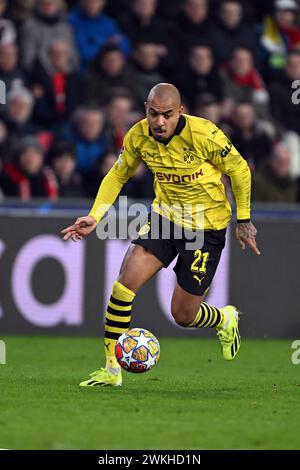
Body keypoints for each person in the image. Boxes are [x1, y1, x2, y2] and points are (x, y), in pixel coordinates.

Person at [61, 83, 260, 387]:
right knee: (124, 285)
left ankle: (224, 318)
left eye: (167, 115)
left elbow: (240, 170)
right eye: (154, 114)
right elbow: (118, 174)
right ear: (146, 109)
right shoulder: (138, 135)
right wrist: (95, 215)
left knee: (183, 314)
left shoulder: (204, 134)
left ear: (180, 112)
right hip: (165, 218)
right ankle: (111, 369)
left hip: (206, 226)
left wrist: (244, 219)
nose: (159, 122)